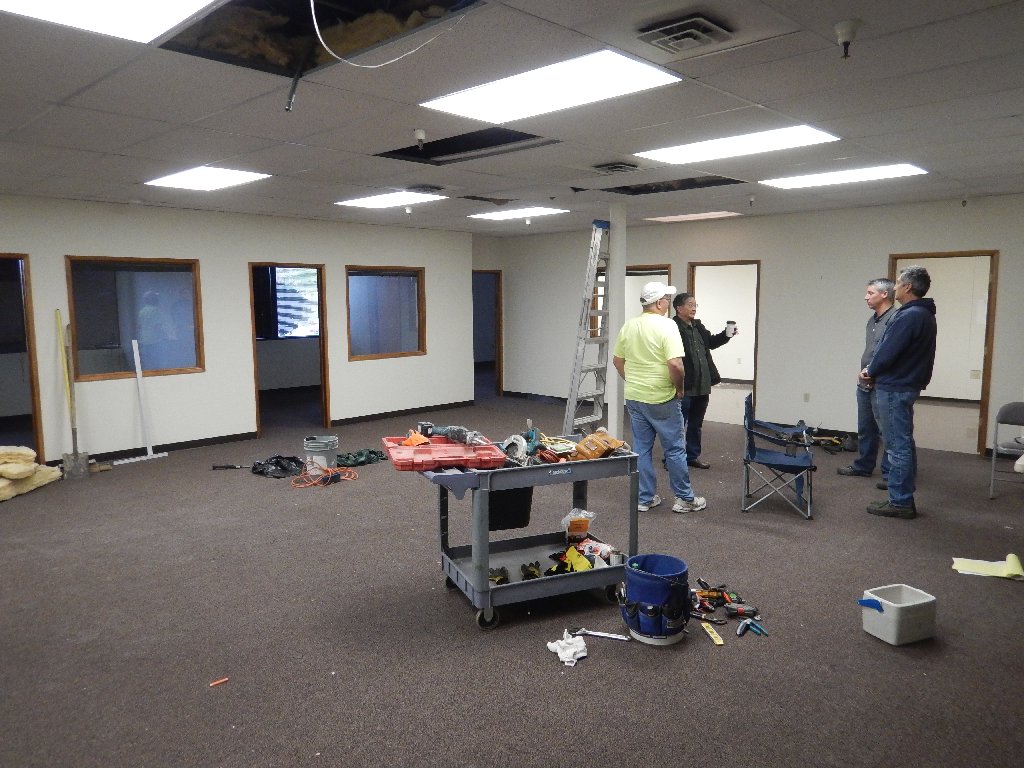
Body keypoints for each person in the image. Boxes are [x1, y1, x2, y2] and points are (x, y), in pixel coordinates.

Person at [612, 281, 706, 514]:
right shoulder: (667, 326)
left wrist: (633, 381)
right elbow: (675, 364)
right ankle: (684, 499)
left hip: (635, 397)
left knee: (642, 448)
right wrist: (679, 388)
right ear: (658, 303)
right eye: (666, 298)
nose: (668, 302)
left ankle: (644, 498)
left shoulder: (629, 325)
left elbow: (618, 361)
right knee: (674, 449)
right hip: (662, 397)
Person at [860, 266, 937, 519]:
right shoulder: (922, 313)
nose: (895, 288)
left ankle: (901, 500)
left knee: (896, 445)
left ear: (908, 287)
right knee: (903, 441)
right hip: (905, 384)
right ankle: (901, 489)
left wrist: (870, 371)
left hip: (895, 386)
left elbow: (888, 351)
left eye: (898, 284)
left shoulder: (909, 316)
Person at [837, 278, 896, 480]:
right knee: (865, 428)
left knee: (887, 431)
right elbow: (871, 351)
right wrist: (864, 373)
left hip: (882, 383)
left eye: (870, 293)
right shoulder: (872, 320)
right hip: (865, 382)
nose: (866, 297)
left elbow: (890, 353)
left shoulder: (895, 319)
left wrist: (873, 373)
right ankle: (864, 465)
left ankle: (890, 474)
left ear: (884, 294)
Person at [671, 293, 736, 469]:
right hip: (685, 386)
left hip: (702, 384)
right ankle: (673, 459)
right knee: (677, 426)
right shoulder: (672, 328)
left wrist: (726, 335)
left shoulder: (698, 326)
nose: (694, 308)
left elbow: (711, 343)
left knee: (696, 424)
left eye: (695, 305)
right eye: (690, 305)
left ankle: (692, 456)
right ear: (679, 308)